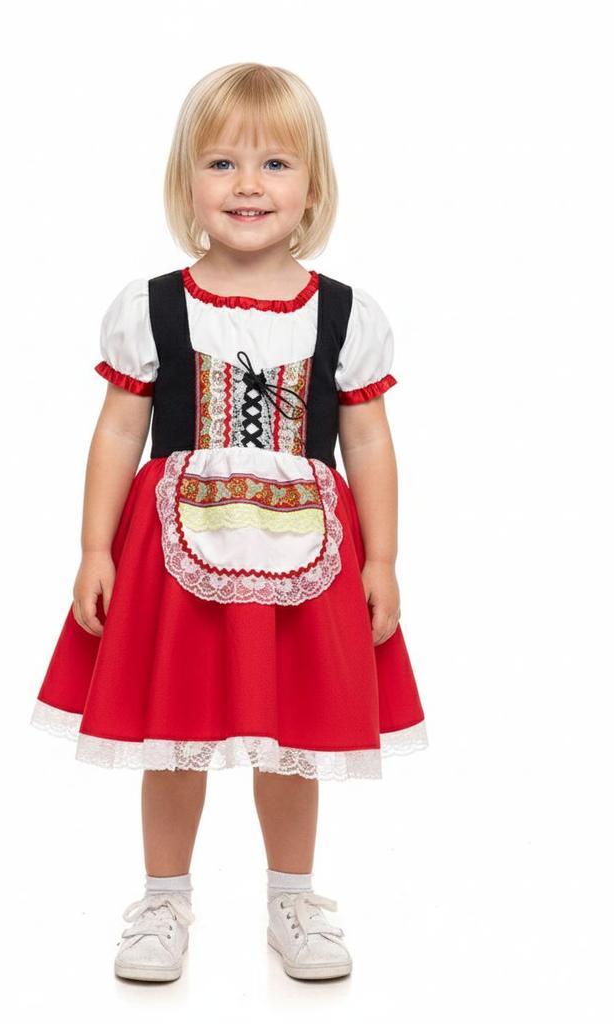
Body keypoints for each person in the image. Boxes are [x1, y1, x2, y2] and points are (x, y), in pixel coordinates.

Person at [30, 61, 428, 983]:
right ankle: (163, 901)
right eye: (221, 163)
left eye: (275, 163)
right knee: (173, 731)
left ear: (313, 186)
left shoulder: (343, 315)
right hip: (177, 552)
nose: (248, 184)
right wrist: (92, 546)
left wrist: (383, 560)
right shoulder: (153, 308)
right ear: (187, 182)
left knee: (292, 738)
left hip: (305, 556)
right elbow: (118, 430)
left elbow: (368, 442)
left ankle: (293, 897)